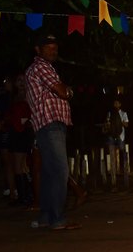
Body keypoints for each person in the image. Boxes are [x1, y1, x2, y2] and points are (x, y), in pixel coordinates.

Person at [25, 34, 79, 230]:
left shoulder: (38, 68)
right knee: (60, 170)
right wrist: (69, 91)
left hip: (45, 125)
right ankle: (57, 218)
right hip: (50, 124)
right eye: (48, 47)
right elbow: (63, 92)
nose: (53, 50)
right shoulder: (42, 67)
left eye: (55, 47)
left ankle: (46, 217)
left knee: (49, 172)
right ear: (38, 50)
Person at [5, 74, 34, 208]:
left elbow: (28, 116)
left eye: (24, 80)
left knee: (20, 165)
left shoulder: (29, 96)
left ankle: (24, 197)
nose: (22, 82)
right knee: (20, 165)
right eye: (19, 80)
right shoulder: (14, 97)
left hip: (22, 132)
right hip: (16, 132)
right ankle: (24, 195)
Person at [103, 98, 129, 179]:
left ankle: (121, 169)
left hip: (120, 135)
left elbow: (126, 125)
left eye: (117, 103)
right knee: (111, 151)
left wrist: (120, 121)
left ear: (120, 104)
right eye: (114, 103)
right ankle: (112, 170)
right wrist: (107, 123)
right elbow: (107, 124)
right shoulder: (110, 113)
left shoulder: (123, 113)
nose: (115, 105)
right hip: (111, 135)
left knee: (121, 150)